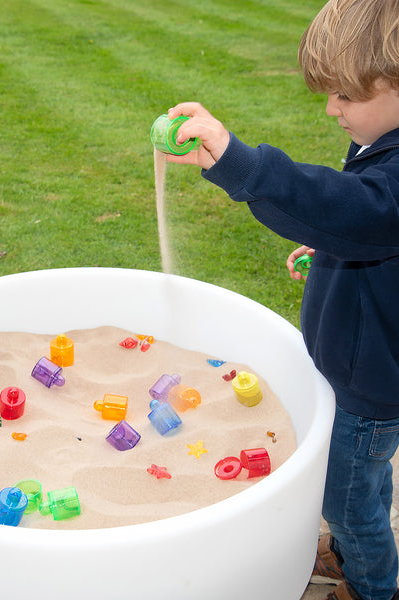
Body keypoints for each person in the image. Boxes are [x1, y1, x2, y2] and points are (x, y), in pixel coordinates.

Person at [164, 1, 399, 599]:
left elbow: (345, 206)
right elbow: (358, 224)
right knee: (363, 485)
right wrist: (330, 253)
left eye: (346, 96)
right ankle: (355, 542)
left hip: (369, 388)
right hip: (367, 366)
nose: (331, 109)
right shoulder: (386, 142)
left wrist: (238, 159)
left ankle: (372, 582)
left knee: (344, 496)